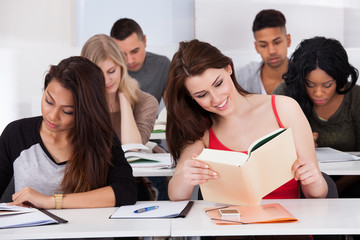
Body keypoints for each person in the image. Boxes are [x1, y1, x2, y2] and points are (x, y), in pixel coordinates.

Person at [166, 39, 328, 202]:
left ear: (228, 68)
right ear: (191, 98)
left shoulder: (284, 108)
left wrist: (313, 179)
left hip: (288, 223)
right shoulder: (202, 130)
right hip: (231, 225)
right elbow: (175, 195)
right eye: (201, 95)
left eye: (219, 83)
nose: (216, 99)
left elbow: (317, 193)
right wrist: (185, 179)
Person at [0, 56, 137, 209]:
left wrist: (50, 201)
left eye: (67, 111)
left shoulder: (101, 138)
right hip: (30, 232)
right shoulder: (16, 134)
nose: (53, 116)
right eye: (49, 101)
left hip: (85, 232)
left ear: (86, 112)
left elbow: (126, 191)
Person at [273, 36, 360, 198]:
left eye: (327, 85)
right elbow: (270, 152)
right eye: (310, 84)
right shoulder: (284, 95)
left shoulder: (355, 97)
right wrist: (298, 148)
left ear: (340, 79)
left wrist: (333, 189)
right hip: (299, 185)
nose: (318, 93)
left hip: (351, 184)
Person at [81, 34, 158, 200]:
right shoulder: (80, 103)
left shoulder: (146, 102)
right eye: (99, 75)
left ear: (122, 67)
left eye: (112, 71)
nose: (107, 81)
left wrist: (124, 98)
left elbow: (132, 148)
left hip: (131, 186)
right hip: (88, 187)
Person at [110, 18, 170, 103]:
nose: (130, 61)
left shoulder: (163, 65)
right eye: (122, 55)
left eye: (135, 51)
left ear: (144, 41)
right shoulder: (109, 71)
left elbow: (172, 109)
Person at [236, 9, 291, 95]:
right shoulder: (242, 77)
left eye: (277, 42)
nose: (271, 51)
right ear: (256, 47)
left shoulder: (305, 76)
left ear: (288, 40)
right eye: (263, 45)